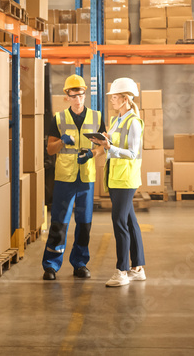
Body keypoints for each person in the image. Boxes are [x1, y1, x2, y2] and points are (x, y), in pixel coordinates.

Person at [42, 74, 106, 281]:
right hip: (64, 179)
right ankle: (51, 265)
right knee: (59, 223)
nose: (78, 100)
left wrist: (92, 154)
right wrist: (62, 141)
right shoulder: (59, 119)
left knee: (84, 223)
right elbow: (50, 149)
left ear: (85, 94)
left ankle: (80, 263)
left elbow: (104, 146)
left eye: (81, 95)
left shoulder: (96, 117)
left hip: (86, 178)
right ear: (66, 96)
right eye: (74, 95)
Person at [91, 78, 146, 288]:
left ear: (124, 99)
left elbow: (132, 153)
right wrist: (104, 141)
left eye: (114, 97)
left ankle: (122, 271)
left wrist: (109, 147)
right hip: (116, 177)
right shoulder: (117, 120)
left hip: (125, 179)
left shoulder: (133, 122)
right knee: (130, 221)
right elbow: (114, 144)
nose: (111, 101)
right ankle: (138, 268)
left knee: (119, 223)